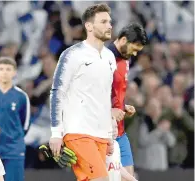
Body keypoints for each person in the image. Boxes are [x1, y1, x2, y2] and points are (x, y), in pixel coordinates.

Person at [49, 3, 118, 181]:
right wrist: (56, 133)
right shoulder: (72, 55)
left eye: (109, 22)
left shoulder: (110, 57)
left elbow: (105, 97)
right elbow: (57, 92)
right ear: (88, 26)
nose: (109, 26)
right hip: (78, 130)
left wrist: (109, 132)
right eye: (103, 22)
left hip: (101, 133)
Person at [107, 23, 148, 179]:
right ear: (123, 40)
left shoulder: (125, 60)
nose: (135, 54)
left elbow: (113, 94)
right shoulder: (102, 60)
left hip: (120, 132)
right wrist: (109, 111)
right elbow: (89, 96)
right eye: (134, 49)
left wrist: (122, 107)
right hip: (103, 133)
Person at [0, 57, 30, 181]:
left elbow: (25, 124)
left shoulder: (22, 96)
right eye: (1, 69)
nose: (5, 72)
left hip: (13, 149)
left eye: (8, 69)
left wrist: (14, 138)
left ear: (14, 72)